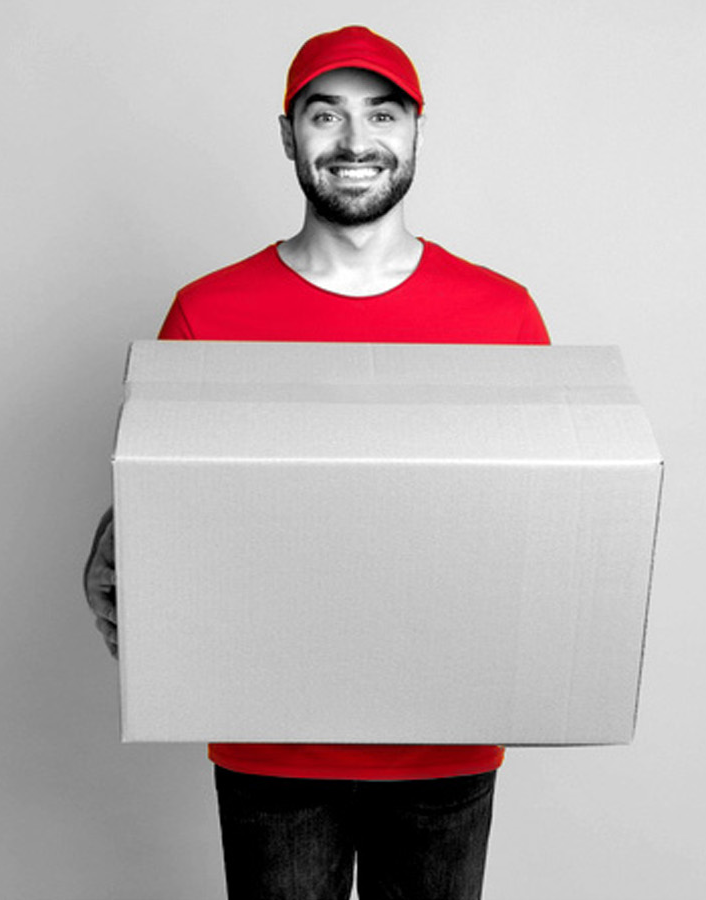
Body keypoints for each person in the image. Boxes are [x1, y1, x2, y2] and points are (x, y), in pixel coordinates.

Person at [83, 25, 550, 900]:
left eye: (381, 114)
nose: (355, 142)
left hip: (445, 743)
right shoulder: (208, 312)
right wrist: (118, 547)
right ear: (288, 135)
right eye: (323, 115)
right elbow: (162, 494)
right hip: (273, 744)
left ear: (416, 131)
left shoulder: (501, 315)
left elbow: (539, 516)